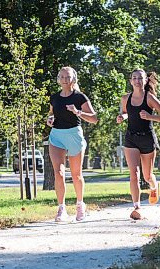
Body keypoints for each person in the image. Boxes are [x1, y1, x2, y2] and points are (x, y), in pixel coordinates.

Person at [116, 69, 160, 220]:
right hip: (131, 139)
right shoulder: (125, 98)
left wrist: (149, 116)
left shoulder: (150, 98)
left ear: (145, 80)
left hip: (147, 138)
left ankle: (154, 186)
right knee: (134, 174)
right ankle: (137, 207)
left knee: (147, 176)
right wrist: (122, 117)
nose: (137, 81)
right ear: (130, 81)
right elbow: (127, 113)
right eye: (134, 78)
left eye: (140, 78)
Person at [46, 66, 98, 222]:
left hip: (74, 134)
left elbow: (94, 118)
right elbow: (51, 113)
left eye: (67, 77)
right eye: (61, 76)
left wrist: (78, 112)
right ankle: (61, 209)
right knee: (59, 173)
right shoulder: (54, 97)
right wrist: (49, 119)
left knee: (76, 174)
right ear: (58, 79)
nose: (64, 79)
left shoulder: (79, 97)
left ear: (73, 79)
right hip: (57, 136)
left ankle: (80, 204)